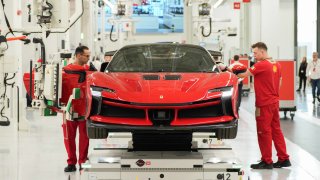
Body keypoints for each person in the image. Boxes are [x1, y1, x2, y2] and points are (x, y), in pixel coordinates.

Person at [237, 42, 291, 169]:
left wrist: (230, 72)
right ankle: (284, 158)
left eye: (255, 53)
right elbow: (280, 82)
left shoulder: (261, 65)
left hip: (264, 104)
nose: (254, 56)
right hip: (274, 102)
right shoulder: (276, 64)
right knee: (276, 130)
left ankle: (267, 161)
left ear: (262, 51)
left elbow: (244, 75)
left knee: (263, 132)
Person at [62, 46, 91, 172]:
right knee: (69, 138)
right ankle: (71, 162)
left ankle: (83, 162)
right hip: (69, 110)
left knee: (85, 138)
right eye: (87, 56)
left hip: (84, 110)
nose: (89, 58)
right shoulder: (65, 71)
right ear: (79, 55)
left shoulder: (90, 71)